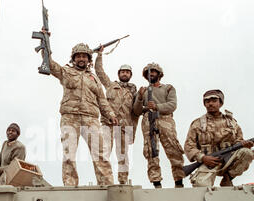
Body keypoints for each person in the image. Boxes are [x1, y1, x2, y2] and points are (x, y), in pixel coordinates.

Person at [42, 34, 118, 186]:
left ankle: (107, 185)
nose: (81, 59)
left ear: (89, 59)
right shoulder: (66, 72)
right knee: (69, 154)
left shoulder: (94, 79)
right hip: (70, 117)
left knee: (100, 153)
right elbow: (49, 64)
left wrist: (110, 114)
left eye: (84, 56)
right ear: (74, 58)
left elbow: (102, 100)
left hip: (91, 118)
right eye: (78, 56)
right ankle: (70, 186)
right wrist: (45, 41)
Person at [184, 89, 254, 187]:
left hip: (229, 159)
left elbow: (238, 140)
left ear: (220, 103)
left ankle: (228, 178)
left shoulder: (232, 123)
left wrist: (244, 144)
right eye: (207, 101)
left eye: (214, 100)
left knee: (247, 153)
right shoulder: (197, 124)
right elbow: (189, 146)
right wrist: (203, 158)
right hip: (209, 162)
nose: (210, 104)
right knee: (201, 186)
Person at [133, 63, 185, 188]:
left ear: (159, 74)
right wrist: (139, 98)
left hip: (165, 120)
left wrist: (157, 106)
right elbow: (136, 111)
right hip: (148, 120)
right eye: (148, 73)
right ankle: (156, 183)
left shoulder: (168, 88)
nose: (151, 74)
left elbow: (172, 105)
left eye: (153, 72)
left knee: (173, 149)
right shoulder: (143, 91)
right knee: (151, 151)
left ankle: (179, 181)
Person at [95, 47, 138, 184]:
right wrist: (100, 55)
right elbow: (100, 72)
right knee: (104, 152)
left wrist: (133, 132)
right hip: (108, 124)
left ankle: (123, 183)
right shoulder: (110, 85)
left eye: (127, 72)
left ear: (130, 75)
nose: (125, 74)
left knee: (123, 157)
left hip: (125, 128)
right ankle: (104, 181)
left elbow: (135, 114)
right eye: (122, 72)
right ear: (119, 73)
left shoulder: (134, 92)